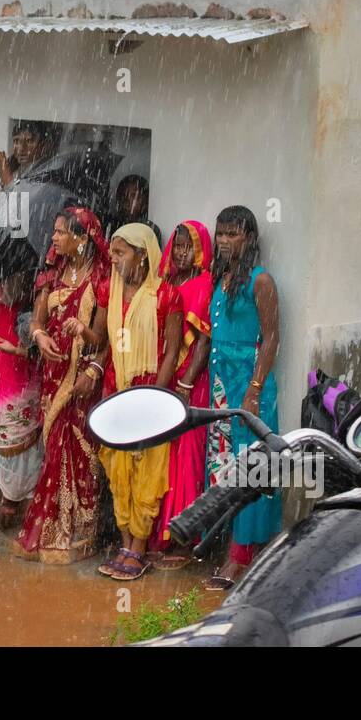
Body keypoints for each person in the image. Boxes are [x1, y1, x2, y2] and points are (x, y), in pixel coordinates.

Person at [76, 223, 183, 580]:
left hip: (149, 393)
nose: (115, 259)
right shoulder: (109, 290)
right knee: (118, 470)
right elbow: (100, 338)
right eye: (114, 253)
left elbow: (170, 352)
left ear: (142, 254)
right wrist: (83, 330)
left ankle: (139, 547)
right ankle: (125, 543)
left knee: (148, 471)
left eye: (121, 253)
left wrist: (156, 399)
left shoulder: (167, 296)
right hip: (115, 389)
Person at [14, 206, 109, 564]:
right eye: (54, 232)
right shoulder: (52, 274)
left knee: (82, 454)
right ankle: (49, 529)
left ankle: (82, 532)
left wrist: (81, 331)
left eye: (60, 232)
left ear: (81, 239)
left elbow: (103, 336)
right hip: (53, 375)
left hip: (82, 380)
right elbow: (37, 319)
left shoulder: (101, 279)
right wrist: (39, 337)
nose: (53, 238)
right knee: (54, 449)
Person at [205, 205, 282, 589]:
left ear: (249, 238)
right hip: (220, 384)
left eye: (232, 234)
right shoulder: (220, 278)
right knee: (224, 465)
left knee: (250, 468)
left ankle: (241, 557)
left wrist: (254, 390)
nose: (223, 241)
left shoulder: (260, 281)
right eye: (220, 233)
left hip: (250, 386)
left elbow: (271, 339)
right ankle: (232, 546)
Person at [148, 219, 214, 570]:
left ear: (202, 250)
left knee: (185, 458)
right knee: (163, 459)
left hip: (191, 384)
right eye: (178, 246)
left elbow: (203, 340)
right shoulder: (167, 284)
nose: (182, 252)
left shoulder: (204, 283)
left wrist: (186, 383)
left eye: (189, 246)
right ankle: (161, 531)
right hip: (165, 378)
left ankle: (185, 535)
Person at [0, 270, 42, 530]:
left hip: (20, 372)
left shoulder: (33, 297)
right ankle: (11, 497)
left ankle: (20, 501)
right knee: (6, 438)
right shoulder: (2, 289)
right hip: (1, 369)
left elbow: (33, 339)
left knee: (24, 443)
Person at [0, 121, 56, 187]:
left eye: (29, 141)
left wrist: (5, 175)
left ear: (44, 146)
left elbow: (19, 202)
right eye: (17, 141)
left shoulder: (48, 173)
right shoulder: (15, 165)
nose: (21, 148)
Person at [106, 174, 162, 246]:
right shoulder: (109, 224)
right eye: (123, 195)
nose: (126, 200)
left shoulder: (149, 230)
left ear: (145, 203)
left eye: (133, 196)